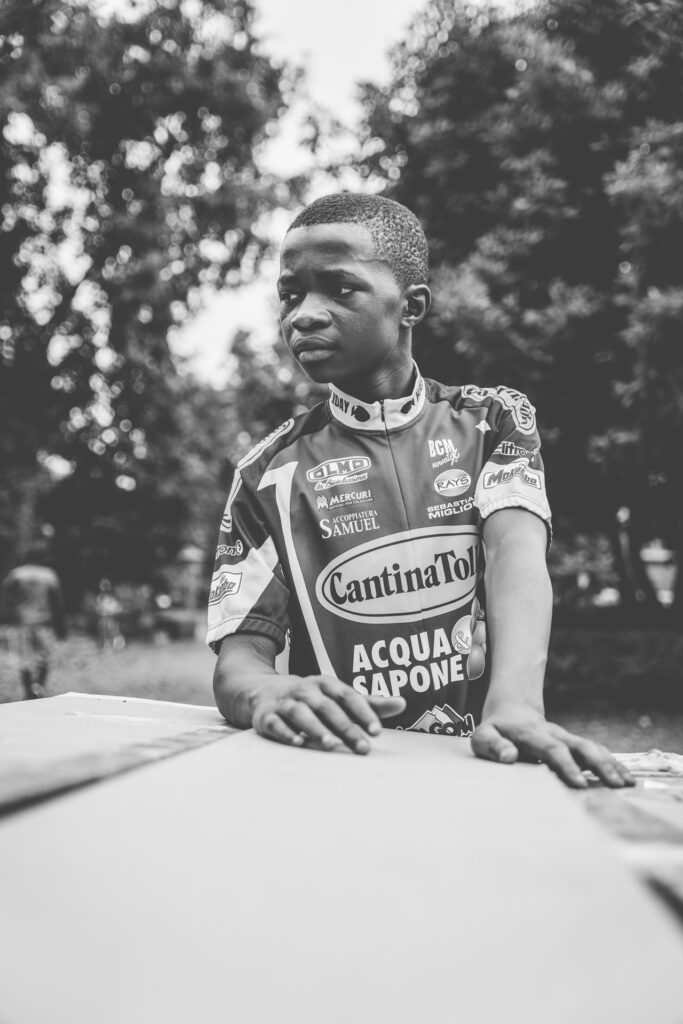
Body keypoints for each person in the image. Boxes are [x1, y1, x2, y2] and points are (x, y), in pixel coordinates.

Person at [208, 192, 633, 790]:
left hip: (478, 769)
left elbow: (515, 553)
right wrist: (268, 692)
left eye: (340, 288)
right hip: (333, 772)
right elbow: (239, 662)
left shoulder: (494, 420)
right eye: (290, 293)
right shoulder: (266, 471)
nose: (304, 313)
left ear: (411, 305)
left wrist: (515, 706)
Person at [1, 546, 67, 699]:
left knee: (24, 658)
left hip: (22, 621)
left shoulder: (17, 574)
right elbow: (58, 603)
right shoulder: (49, 575)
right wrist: (61, 626)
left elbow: (6, 597)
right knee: (45, 656)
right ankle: (40, 685)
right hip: (44, 622)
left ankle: (27, 690)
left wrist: (7, 616)